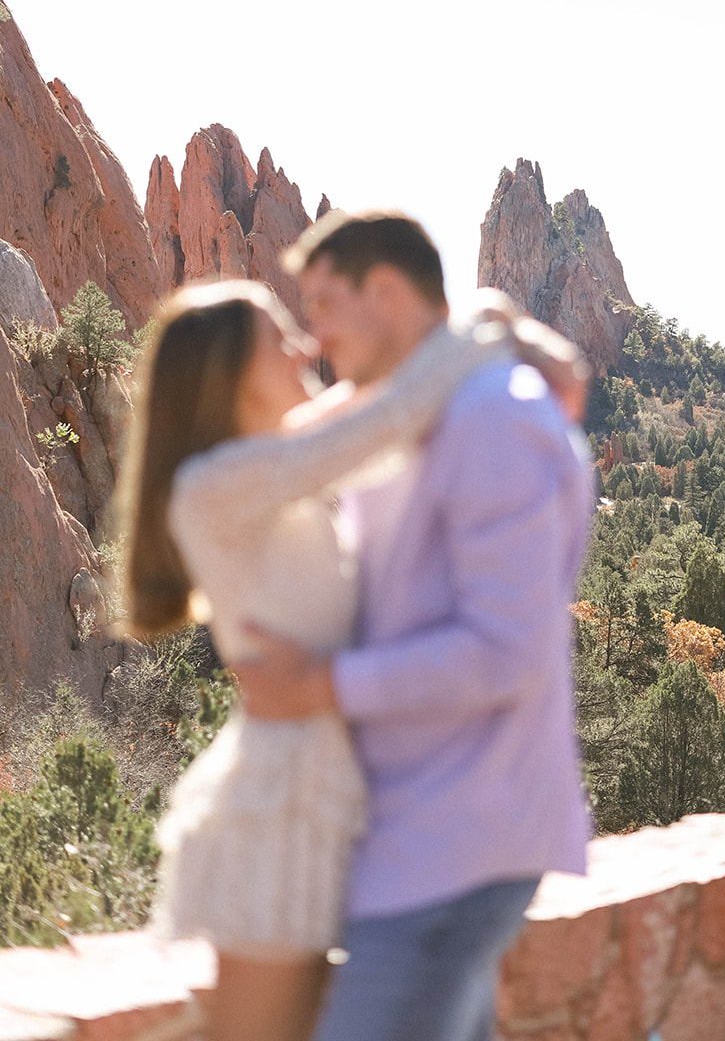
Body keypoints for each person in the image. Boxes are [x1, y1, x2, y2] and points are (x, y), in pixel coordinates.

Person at [118, 269, 575, 1041]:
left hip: (351, 800)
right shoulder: (212, 485)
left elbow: (368, 419)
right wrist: (482, 325)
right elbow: (380, 421)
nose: (303, 344)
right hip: (283, 806)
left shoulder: (274, 471)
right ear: (227, 371)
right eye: (277, 336)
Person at [236, 210, 594, 1041]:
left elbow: (506, 653)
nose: (314, 334)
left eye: (325, 304)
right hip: (418, 838)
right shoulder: (409, 411)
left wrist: (316, 686)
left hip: (459, 841)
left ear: (388, 293)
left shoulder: (492, 418)